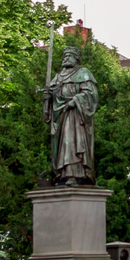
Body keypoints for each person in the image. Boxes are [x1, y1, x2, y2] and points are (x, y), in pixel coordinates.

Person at [43, 46, 98, 185]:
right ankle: (61, 174)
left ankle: (74, 173)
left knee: (71, 142)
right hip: (60, 113)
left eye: (69, 56)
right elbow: (55, 94)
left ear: (76, 59)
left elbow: (91, 94)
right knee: (62, 144)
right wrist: (48, 97)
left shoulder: (84, 73)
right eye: (65, 56)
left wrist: (76, 100)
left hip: (76, 115)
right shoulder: (58, 76)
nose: (66, 58)